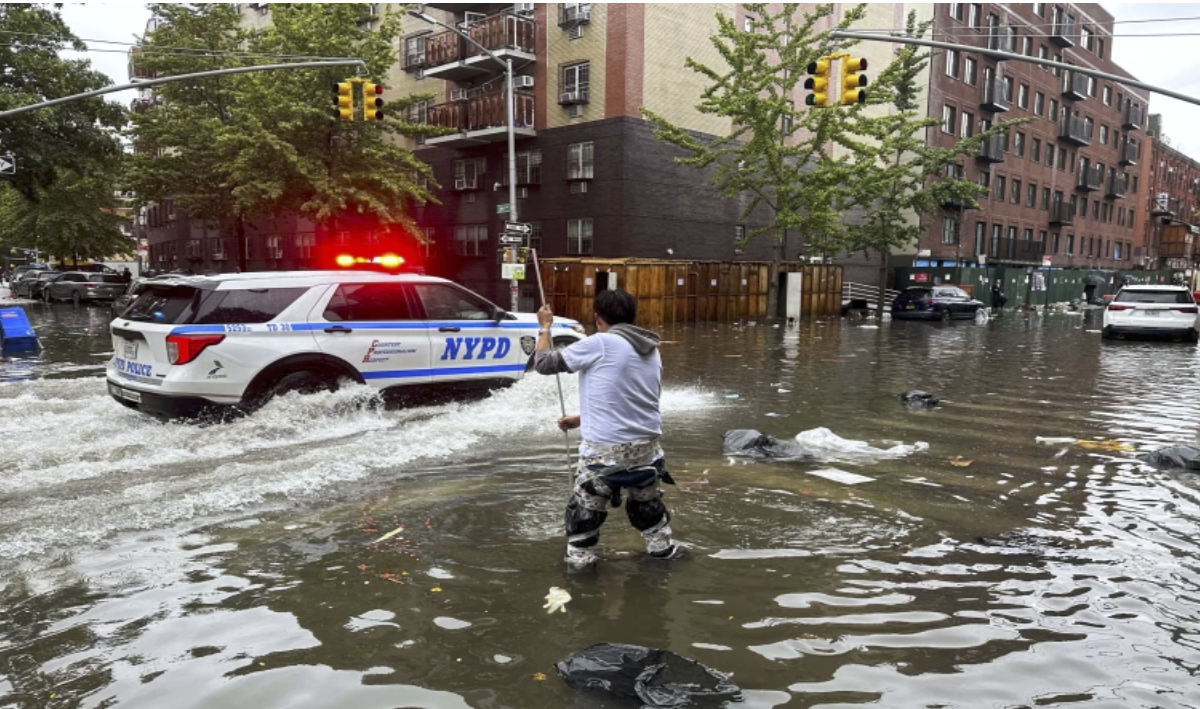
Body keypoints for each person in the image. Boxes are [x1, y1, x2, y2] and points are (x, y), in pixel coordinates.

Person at [534, 290, 678, 566]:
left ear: (597, 318)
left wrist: (544, 327)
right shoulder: (650, 348)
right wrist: (582, 418)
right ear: (632, 317)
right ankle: (662, 553)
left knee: (584, 512)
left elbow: (543, 364)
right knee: (647, 507)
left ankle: (581, 567)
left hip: (604, 454)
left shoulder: (600, 342)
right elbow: (632, 399)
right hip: (648, 450)